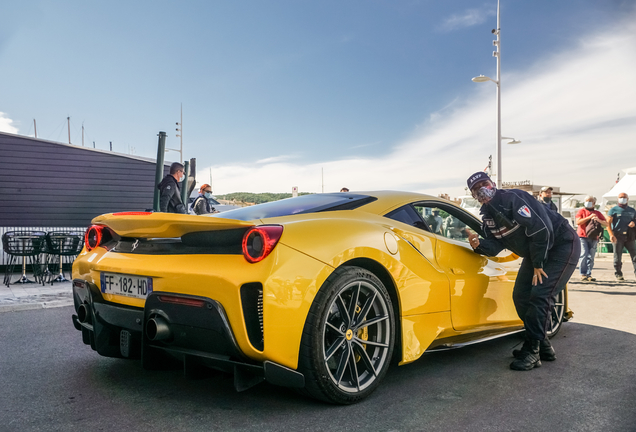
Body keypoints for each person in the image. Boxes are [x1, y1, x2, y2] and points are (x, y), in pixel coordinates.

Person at [465, 171, 580, 371]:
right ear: (474, 195)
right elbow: (495, 245)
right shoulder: (487, 217)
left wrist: (538, 264)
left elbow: (541, 229)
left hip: (560, 245)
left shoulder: (513, 198)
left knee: (540, 293)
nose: (481, 190)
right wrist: (478, 245)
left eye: (484, 184)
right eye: (476, 189)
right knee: (520, 296)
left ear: (492, 183)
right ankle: (542, 344)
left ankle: (532, 350)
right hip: (535, 253)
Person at [575, 196, 607, 281]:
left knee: (591, 256)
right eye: (586, 201)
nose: (588, 202)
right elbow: (578, 222)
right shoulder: (581, 211)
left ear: (594, 203)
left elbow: (606, 224)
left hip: (594, 237)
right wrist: (588, 217)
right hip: (582, 236)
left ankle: (589, 274)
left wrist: (598, 220)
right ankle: (583, 274)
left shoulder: (598, 213)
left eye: (590, 201)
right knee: (584, 254)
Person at [606, 192, 636, 281]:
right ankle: (618, 273)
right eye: (621, 197)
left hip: (629, 236)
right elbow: (608, 223)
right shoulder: (613, 210)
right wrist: (611, 235)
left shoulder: (632, 210)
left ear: (627, 199)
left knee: (635, 256)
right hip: (618, 236)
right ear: (617, 199)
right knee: (617, 256)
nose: (622, 198)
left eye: (624, 197)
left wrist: (634, 223)